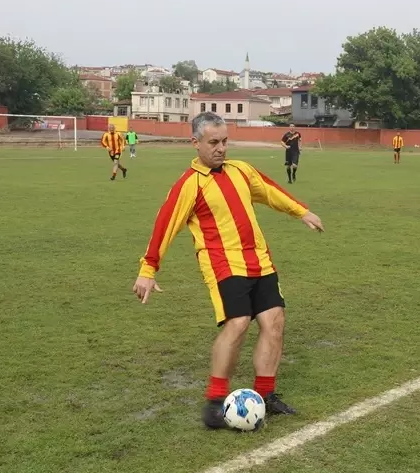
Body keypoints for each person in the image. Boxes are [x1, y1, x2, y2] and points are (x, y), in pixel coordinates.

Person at [132, 113, 325, 429]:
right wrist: (148, 269)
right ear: (195, 143)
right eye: (213, 142)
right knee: (237, 324)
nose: (221, 148)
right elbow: (165, 224)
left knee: (274, 321)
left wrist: (301, 211)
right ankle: (213, 404)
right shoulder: (189, 185)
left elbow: (270, 191)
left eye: (224, 141)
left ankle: (265, 396)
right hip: (224, 265)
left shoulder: (241, 170)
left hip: (259, 261)